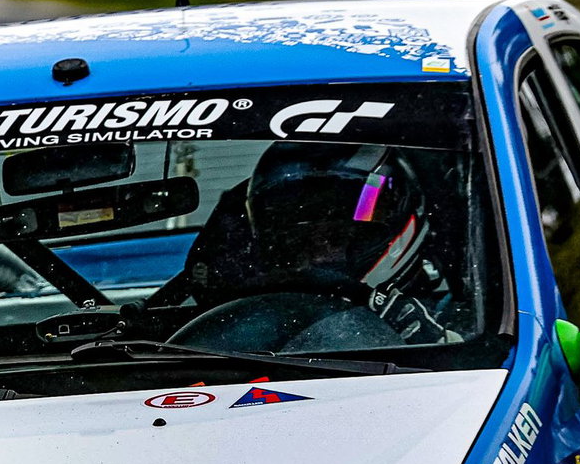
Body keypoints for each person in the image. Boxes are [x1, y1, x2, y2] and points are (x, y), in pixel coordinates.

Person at [171, 141, 457, 353]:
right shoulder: (226, 327)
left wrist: (439, 347)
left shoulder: (475, 323)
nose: (316, 256)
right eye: (299, 242)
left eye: (334, 239)